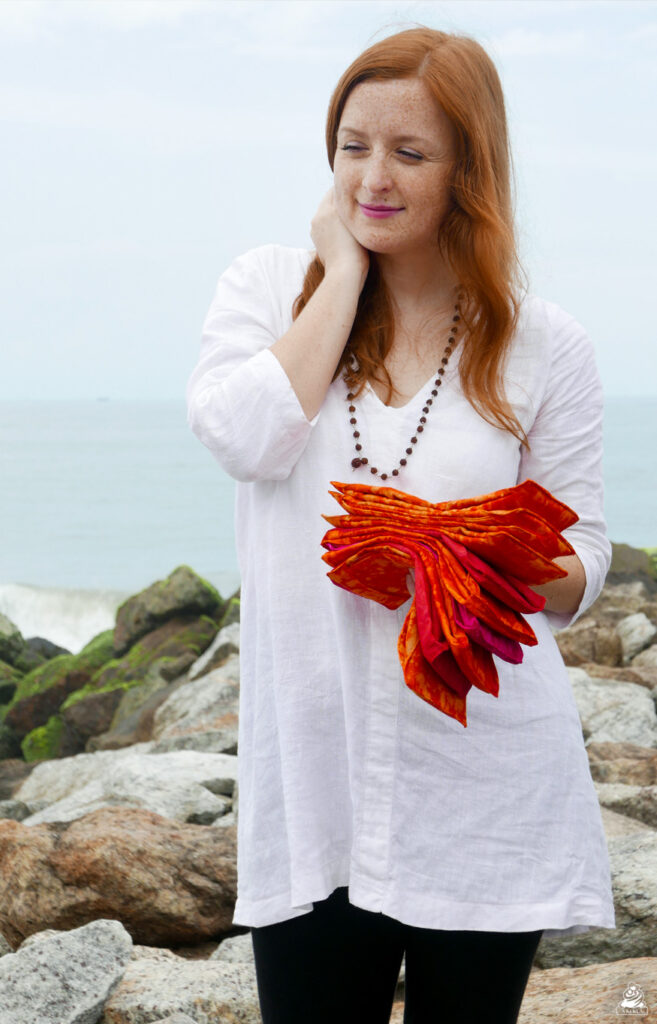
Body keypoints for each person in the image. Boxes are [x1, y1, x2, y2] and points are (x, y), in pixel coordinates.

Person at [186, 26, 615, 1024]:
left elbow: (584, 559)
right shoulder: (265, 290)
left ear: (469, 167)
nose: (371, 177)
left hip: (483, 780)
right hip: (314, 786)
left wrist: (474, 548)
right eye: (352, 145)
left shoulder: (544, 344)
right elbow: (244, 436)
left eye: (409, 153)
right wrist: (338, 275)